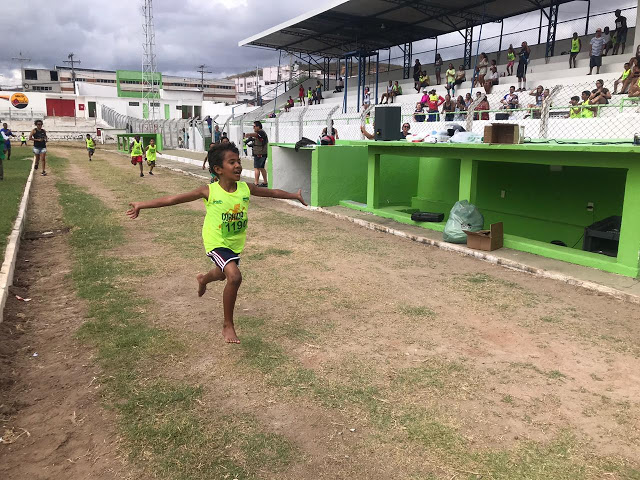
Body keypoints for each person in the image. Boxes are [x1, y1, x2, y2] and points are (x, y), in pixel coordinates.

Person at [126, 142, 306, 343]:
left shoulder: (246, 188)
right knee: (234, 277)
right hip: (215, 241)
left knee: (221, 274)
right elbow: (173, 199)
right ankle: (228, 325)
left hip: (234, 243)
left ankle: (203, 280)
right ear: (219, 169)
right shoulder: (208, 191)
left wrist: (294, 195)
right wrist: (142, 204)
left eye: (238, 161)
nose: (238, 166)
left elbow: (272, 193)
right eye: (232, 162)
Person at [244, 120, 268, 187]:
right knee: (261, 168)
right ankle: (265, 182)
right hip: (261, 152)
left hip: (260, 153)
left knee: (257, 168)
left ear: (258, 126)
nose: (253, 128)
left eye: (254, 126)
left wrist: (249, 134)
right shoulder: (260, 134)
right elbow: (258, 141)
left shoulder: (261, 132)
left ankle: (256, 183)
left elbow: (256, 135)